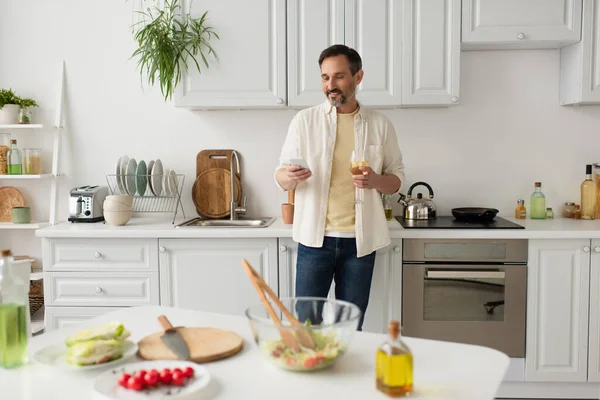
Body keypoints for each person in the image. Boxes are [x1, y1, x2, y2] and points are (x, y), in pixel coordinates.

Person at [274, 44, 405, 330]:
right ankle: (311, 374)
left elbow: (395, 180)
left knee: (351, 328)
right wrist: (291, 177)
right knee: (306, 326)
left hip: (360, 243)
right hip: (313, 242)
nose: (330, 85)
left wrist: (375, 181)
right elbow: (280, 176)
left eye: (338, 77)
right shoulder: (304, 121)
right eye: (324, 78)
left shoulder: (380, 125)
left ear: (358, 77)